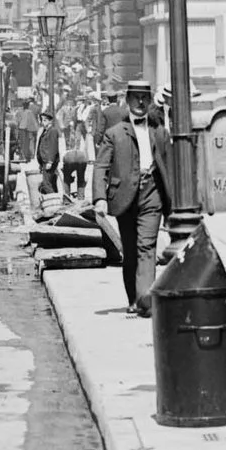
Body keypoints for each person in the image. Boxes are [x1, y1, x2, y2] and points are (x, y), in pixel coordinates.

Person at [91, 79, 171, 315]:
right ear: (128, 100)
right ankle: (134, 299)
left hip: (152, 194)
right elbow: (101, 166)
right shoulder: (114, 133)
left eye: (144, 98)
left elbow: (170, 166)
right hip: (124, 197)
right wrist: (100, 198)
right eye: (135, 97)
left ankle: (146, 299)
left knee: (147, 246)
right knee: (130, 250)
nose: (140, 102)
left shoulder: (159, 132)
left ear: (150, 101)